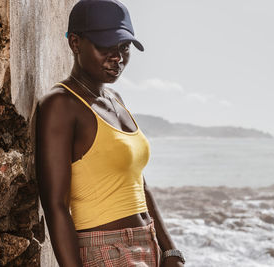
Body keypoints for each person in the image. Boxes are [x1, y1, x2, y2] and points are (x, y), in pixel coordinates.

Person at [35, 0, 185, 266]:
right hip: (107, 251)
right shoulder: (61, 105)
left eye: (124, 47)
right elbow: (55, 204)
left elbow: (138, 181)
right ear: (75, 43)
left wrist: (170, 250)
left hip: (147, 244)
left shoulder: (114, 98)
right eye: (106, 46)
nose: (117, 58)